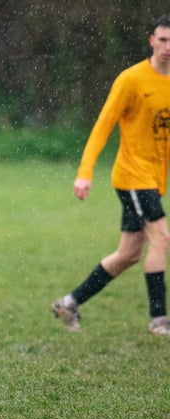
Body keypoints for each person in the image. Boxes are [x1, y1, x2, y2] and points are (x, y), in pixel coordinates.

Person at [52, 16, 170, 335]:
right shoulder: (131, 80)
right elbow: (102, 126)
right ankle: (160, 320)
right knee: (162, 237)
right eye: (162, 40)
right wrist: (84, 172)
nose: (168, 48)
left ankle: (69, 303)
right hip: (132, 177)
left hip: (152, 181)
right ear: (151, 41)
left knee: (129, 254)